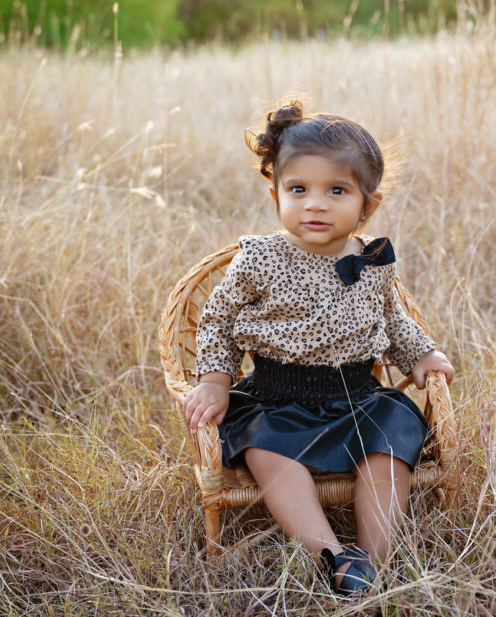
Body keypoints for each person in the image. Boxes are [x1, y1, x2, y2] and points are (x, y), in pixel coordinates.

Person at [182, 99, 455, 596]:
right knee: (267, 454)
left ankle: (373, 563)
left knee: (391, 446)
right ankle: (330, 552)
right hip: (275, 398)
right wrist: (216, 380)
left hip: (357, 396)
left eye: (336, 190)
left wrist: (420, 355)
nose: (315, 203)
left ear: (366, 204)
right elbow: (218, 319)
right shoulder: (259, 259)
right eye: (298, 189)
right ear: (276, 196)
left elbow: (392, 318)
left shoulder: (372, 260)